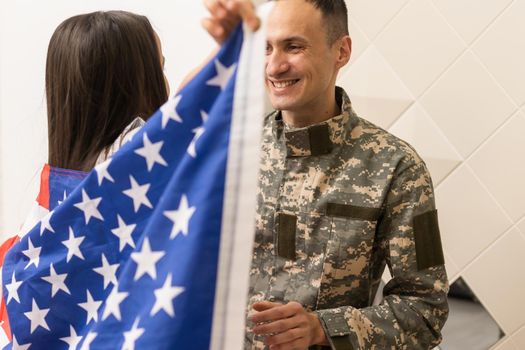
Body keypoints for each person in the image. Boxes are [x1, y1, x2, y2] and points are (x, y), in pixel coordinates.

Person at [203, 1, 449, 349]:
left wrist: (323, 328)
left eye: (294, 46)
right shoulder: (233, 153)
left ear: (341, 51)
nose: (274, 66)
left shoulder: (397, 167)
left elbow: (425, 311)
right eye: (266, 48)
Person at [0, 10, 169, 345]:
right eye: (158, 68)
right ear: (134, 84)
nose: (166, 83)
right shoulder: (136, 164)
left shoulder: (48, 206)